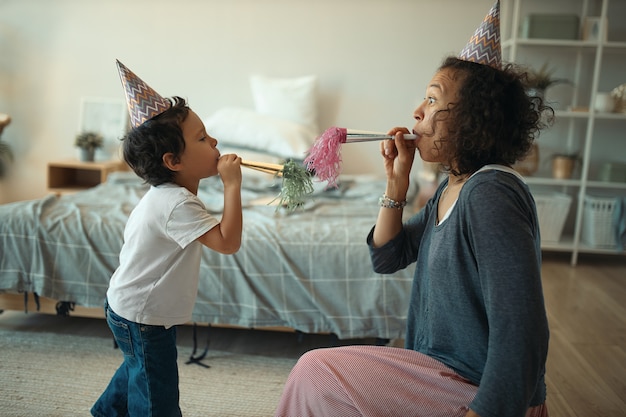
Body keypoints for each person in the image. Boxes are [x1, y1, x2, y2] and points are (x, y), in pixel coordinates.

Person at [274, 2, 552, 416]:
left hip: (479, 393)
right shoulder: (450, 189)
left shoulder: (490, 193)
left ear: (475, 118)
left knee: (316, 370)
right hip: (440, 374)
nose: (417, 111)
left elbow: (523, 330)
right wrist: (396, 182)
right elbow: (388, 256)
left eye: (433, 100)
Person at [91, 61, 242, 417]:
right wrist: (232, 186)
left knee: (139, 368)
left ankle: (107, 412)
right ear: (173, 161)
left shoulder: (170, 196)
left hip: (130, 307)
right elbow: (227, 242)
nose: (215, 141)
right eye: (202, 138)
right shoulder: (176, 205)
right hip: (143, 316)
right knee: (157, 394)